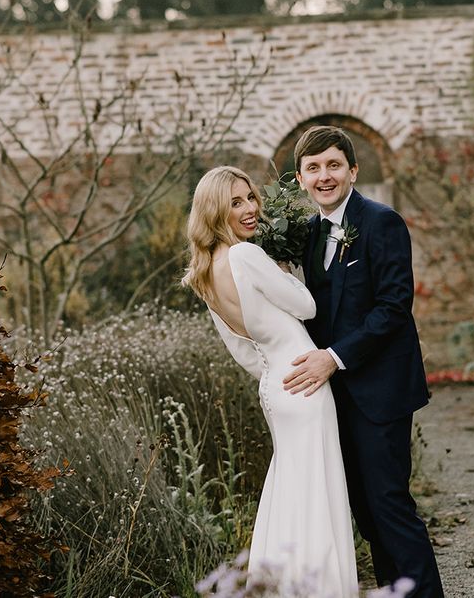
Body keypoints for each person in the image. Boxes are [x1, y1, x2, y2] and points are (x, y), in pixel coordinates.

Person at [182, 166, 358, 597]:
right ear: (213, 211)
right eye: (235, 202)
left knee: (291, 490)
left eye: (250, 198)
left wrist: (275, 373)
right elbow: (307, 305)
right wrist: (283, 269)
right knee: (316, 491)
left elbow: (243, 350)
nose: (249, 209)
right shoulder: (245, 255)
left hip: (277, 387)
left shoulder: (204, 273)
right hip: (305, 382)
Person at [284, 126, 444, 598]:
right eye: (313, 168)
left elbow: (394, 305)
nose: (324, 176)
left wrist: (333, 358)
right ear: (300, 179)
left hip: (382, 390)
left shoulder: (382, 221)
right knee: (366, 514)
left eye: (333, 165)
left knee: (391, 506)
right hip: (334, 398)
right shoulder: (307, 236)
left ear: (353, 170)